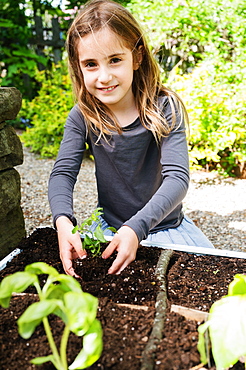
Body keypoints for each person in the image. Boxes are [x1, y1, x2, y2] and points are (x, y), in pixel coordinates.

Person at [48, 0, 214, 278]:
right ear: (78, 68)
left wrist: (135, 229)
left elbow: (177, 179)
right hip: (109, 230)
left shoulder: (164, 108)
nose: (104, 76)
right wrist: (63, 221)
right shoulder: (83, 116)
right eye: (91, 64)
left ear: (136, 57)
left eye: (115, 60)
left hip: (164, 228)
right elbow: (62, 174)